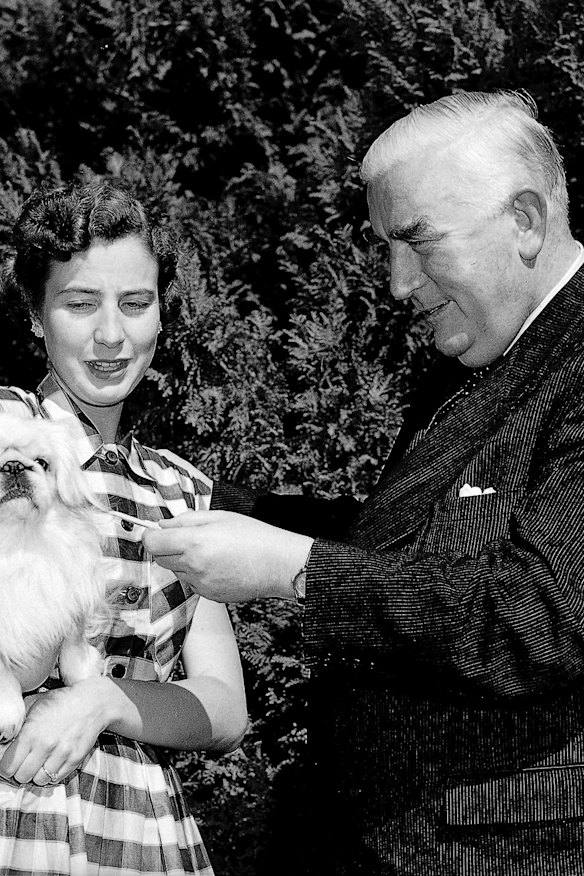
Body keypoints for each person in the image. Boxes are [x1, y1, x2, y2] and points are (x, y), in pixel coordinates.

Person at [143, 90, 584, 875]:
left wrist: (296, 571)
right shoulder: (473, 360)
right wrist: (198, 500)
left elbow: (532, 616)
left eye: (418, 243)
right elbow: (411, 549)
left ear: (525, 219)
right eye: (387, 247)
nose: (397, 283)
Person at [0, 181, 248, 876]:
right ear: (34, 314)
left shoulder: (182, 490)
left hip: (138, 833)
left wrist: (103, 700)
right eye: (80, 304)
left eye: (136, 304)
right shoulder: (5, 437)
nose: (112, 334)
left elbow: (225, 709)